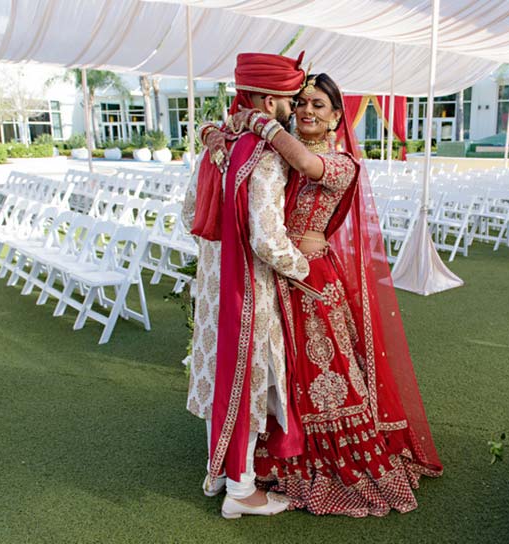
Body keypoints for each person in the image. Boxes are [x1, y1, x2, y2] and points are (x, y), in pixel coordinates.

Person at [208, 73, 443, 517]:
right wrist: (217, 131)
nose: (307, 111)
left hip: (312, 279)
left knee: (324, 372)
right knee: (283, 371)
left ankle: (328, 460)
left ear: (337, 116)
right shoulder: (274, 155)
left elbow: (306, 166)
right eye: (301, 104)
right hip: (274, 272)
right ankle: (272, 458)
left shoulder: (341, 163)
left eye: (318, 105)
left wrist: (261, 123)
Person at [181, 52, 311, 519]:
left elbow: (187, 214)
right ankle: (242, 488)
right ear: (269, 98)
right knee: (249, 377)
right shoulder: (266, 155)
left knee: (220, 374)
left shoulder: (216, 143)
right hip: (248, 290)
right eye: (291, 100)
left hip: (215, 287)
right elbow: (266, 238)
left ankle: (216, 473)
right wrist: (304, 267)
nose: (294, 109)